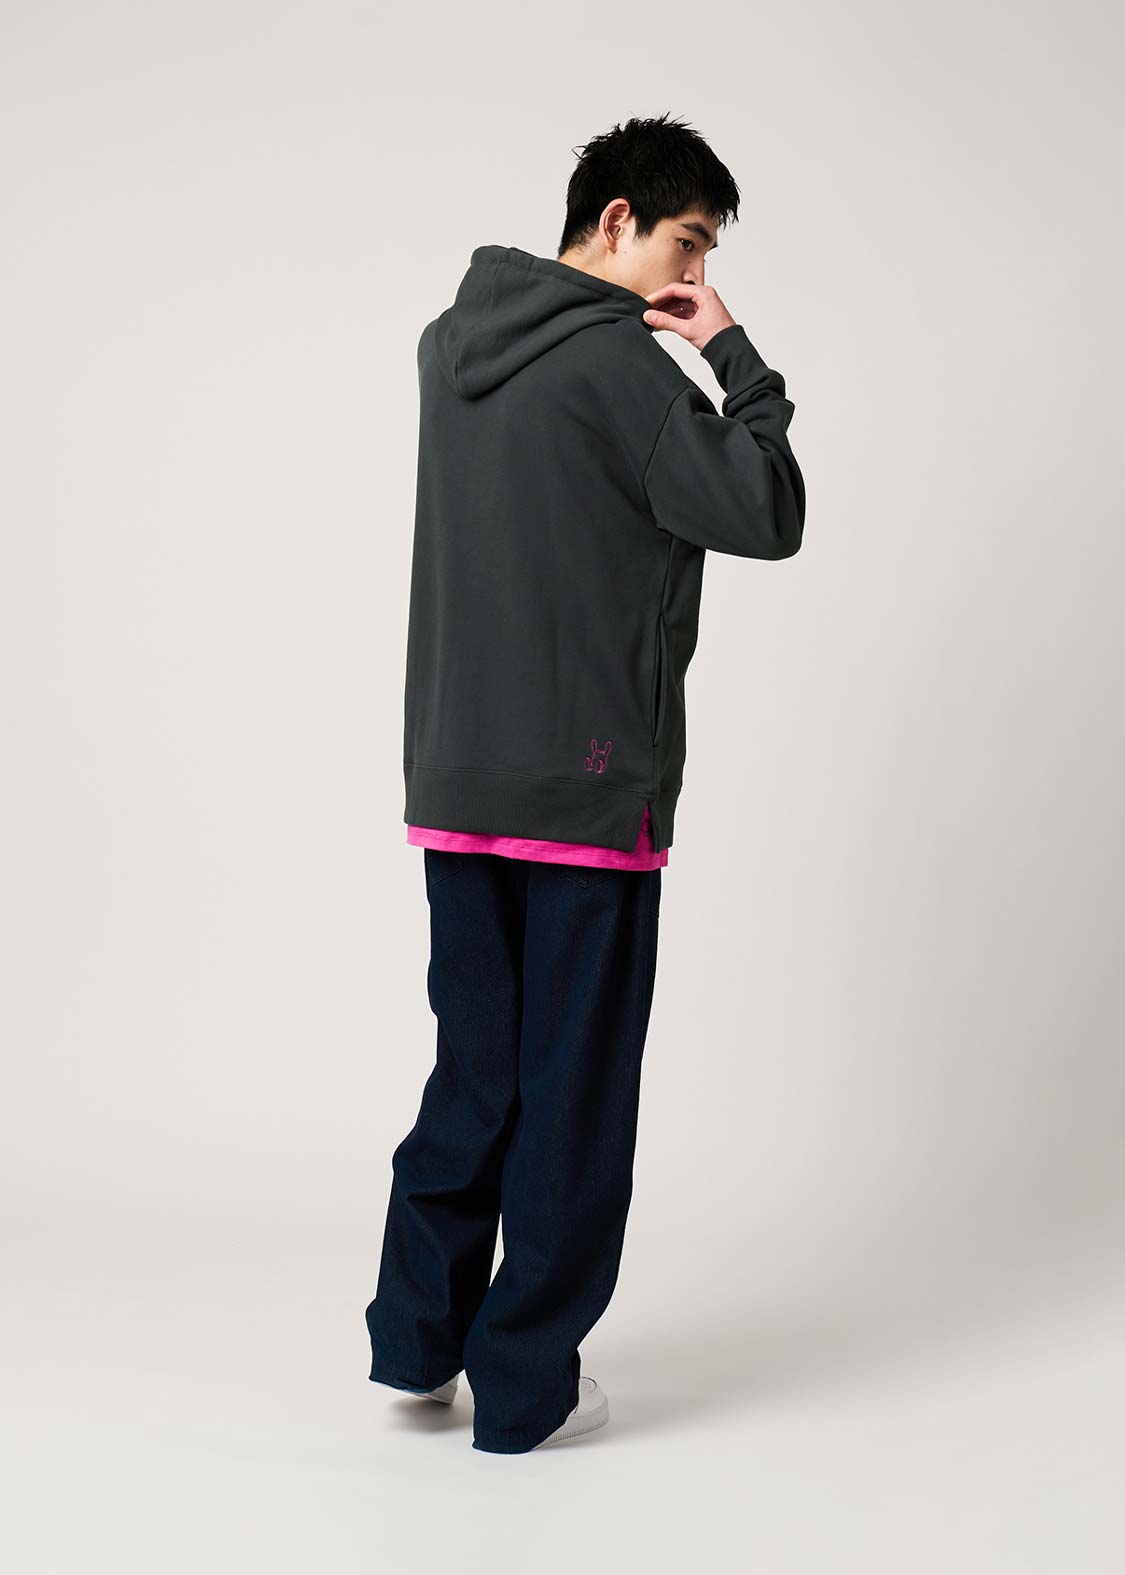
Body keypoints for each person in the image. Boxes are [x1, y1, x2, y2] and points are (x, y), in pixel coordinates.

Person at [364, 111, 806, 1453]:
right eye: (689, 242)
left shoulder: (448, 346)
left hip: (459, 773)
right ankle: (524, 1392)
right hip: (588, 786)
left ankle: (415, 1346)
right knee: (573, 1091)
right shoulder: (623, 368)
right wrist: (732, 356)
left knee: (475, 1070)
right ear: (618, 220)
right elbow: (767, 508)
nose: (696, 271)